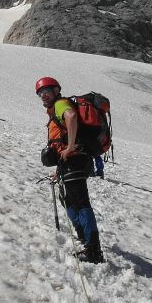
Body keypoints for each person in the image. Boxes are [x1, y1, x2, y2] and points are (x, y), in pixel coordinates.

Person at [36, 76, 104, 264]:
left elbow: (72, 117)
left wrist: (71, 146)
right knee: (68, 200)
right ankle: (84, 237)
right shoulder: (55, 110)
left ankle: (93, 250)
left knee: (80, 202)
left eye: (46, 91)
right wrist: (59, 167)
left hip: (75, 158)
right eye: (40, 93)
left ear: (56, 90)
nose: (43, 96)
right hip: (69, 161)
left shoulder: (60, 104)